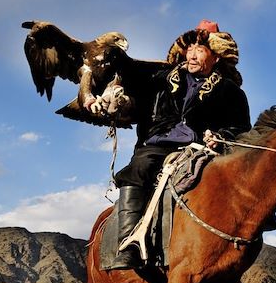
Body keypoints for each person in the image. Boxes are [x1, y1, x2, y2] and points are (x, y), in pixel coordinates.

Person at [106, 20, 251, 269]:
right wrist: (114, 55)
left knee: (232, 181)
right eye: (190, 48)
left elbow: (242, 129)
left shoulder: (231, 92)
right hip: (160, 143)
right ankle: (128, 242)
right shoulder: (162, 78)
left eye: (201, 50)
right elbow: (130, 73)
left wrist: (220, 135)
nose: (193, 55)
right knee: (140, 166)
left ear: (216, 57)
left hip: (204, 149)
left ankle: (229, 261)